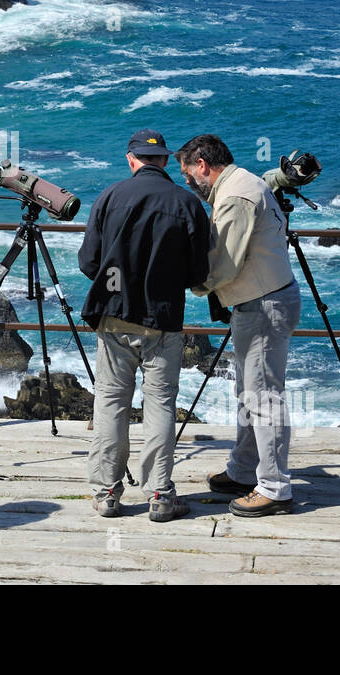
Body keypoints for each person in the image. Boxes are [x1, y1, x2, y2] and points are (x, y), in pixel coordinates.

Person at [77, 130, 210, 521]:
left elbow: (89, 262)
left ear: (131, 159)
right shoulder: (188, 203)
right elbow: (198, 272)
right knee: (161, 405)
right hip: (163, 318)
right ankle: (159, 493)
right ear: (166, 161)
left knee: (111, 402)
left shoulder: (109, 197)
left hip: (114, 313)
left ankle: (107, 493)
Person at [176, 133, 302, 517]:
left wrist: (188, 283)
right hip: (263, 301)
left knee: (263, 398)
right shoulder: (246, 181)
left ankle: (275, 487)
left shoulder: (235, 196)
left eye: (187, 173)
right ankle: (246, 470)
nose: (186, 182)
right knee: (250, 393)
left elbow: (224, 264)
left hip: (262, 305)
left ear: (202, 165)